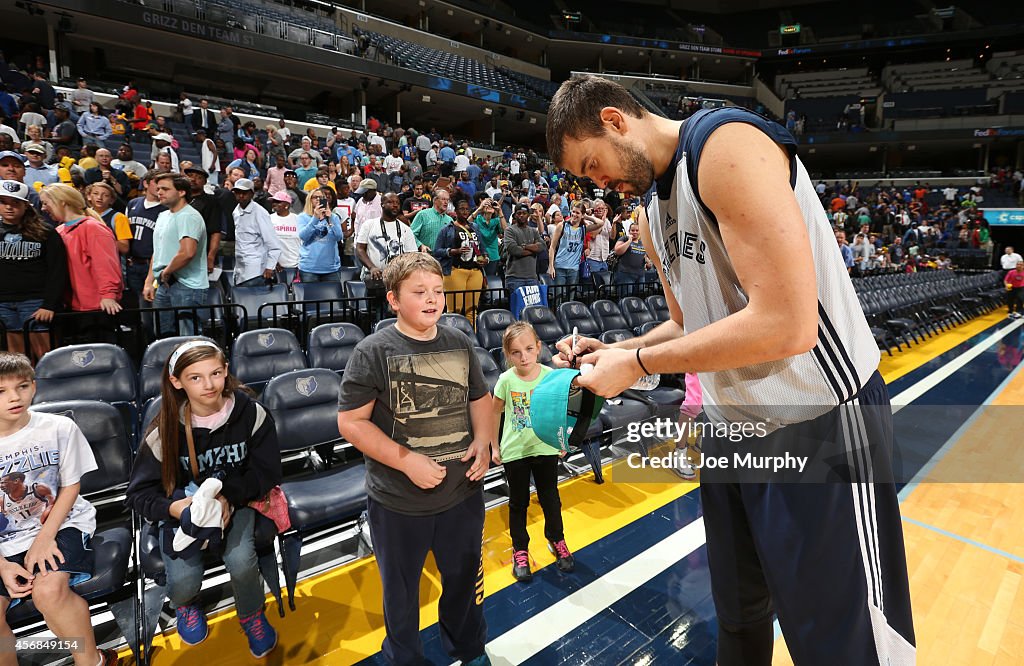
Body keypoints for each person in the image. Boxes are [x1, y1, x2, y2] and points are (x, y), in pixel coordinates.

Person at [547, 75, 915, 665]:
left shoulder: (724, 146)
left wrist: (638, 363)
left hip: (816, 421)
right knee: (740, 620)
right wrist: (618, 352)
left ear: (616, 120)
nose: (598, 184)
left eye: (593, 165)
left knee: (844, 641)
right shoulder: (649, 211)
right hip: (731, 433)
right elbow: (690, 322)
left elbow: (787, 325)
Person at [336, 252, 492, 666]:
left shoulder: (459, 341)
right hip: (399, 501)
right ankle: (405, 658)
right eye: (419, 292)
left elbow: (480, 399)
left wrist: (484, 440)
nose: (432, 299)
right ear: (393, 300)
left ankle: (469, 649)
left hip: (462, 493)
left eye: (438, 291)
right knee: (401, 595)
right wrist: (406, 460)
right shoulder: (373, 351)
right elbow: (351, 423)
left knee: (463, 583)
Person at [124, 340, 281, 658]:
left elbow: (268, 472)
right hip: (183, 512)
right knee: (183, 580)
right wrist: (174, 507)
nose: (209, 385)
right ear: (176, 382)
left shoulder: (251, 413)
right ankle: (186, 605)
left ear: (226, 372)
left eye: (216, 373)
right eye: (195, 377)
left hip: (236, 502)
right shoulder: (164, 431)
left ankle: (251, 613)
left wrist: (229, 499)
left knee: (241, 562)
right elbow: (138, 495)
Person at [0, 353, 119, 666]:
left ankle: (91, 660)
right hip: (4, 543)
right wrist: (1, 564)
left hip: (61, 522)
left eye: (22, 386)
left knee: (48, 592)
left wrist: (44, 537)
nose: (14, 397)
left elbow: (70, 487)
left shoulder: (58, 427)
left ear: (34, 386)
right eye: (1, 391)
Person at [492, 322, 573, 583]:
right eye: (516, 352)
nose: (523, 357)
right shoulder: (506, 380)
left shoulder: (550, 375)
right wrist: (494, 445)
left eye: (528, 349)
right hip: (515, 451)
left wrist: (562, 440)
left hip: (545, 446)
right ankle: (520, 550)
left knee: (550, 497)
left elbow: (559, 411)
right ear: (507, 355)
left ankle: (556, 539)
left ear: (539, 347)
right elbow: (494, 412)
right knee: (518, 503)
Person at [0, 181, 66, 359]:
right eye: (3, 202)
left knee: (46, 356)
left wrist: (49, 304)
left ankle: (51, 387)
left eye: (15, 203)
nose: (9, 207)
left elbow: (58, 270)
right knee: (17, 359)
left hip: (35, 301)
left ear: (26, 206)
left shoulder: (45, 232)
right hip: (4, 302)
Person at [39, 184, 122, 316]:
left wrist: (108, 295)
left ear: (62, 202)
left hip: (96, 308)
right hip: (71, 306)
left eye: (45, 203)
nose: (43, 208)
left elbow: (105, 265)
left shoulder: (93, 228)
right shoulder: (59, 231)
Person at [143, 173, 208, 336]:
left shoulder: (189, 216)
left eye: (165, 189)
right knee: (164, 337)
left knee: (189, 340)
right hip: (164, 284)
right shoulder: (162, 216)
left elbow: (187, 252)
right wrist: (149, 281)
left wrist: (166, 272)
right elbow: (158, 252)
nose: (160, 192)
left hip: (187, 286)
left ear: (181, 192)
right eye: (158, 189)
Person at [434, 199, 487, 325]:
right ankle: (454, 338)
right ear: (456, 211)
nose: (465, 211)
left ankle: (472, 339)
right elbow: (436, 251)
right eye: (462, 209)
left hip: (475, 272)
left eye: (467, 209)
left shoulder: (475, 227)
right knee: (454, 310)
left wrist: (485, 258)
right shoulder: (447, 229)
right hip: (455, 271)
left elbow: (482, 248)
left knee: (472, 310)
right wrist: (453, 251)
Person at [356, 192, 418, 287]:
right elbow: (360, 249)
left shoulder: (406, 229)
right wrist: (372, 267)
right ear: (382, 205)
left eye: (397, 202)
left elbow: (412, 255)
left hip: (398, 279)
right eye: (390, 202)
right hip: (374, 278)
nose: (395, 205)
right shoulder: (369, 225)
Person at [125, 171, 167, 301]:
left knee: (155, 304)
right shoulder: (133, 204)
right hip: (132, 263)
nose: (160, 187)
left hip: (153, 264)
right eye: (156, 182)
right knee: (138, 304)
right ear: (146, 183)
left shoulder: (166, 209)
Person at [231, 178, 282, 287]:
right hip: (240, 267)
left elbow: (274, 244)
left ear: (251, 194)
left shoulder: (260, 213)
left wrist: (270, 267)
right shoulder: (236, 211)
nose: (241, 196)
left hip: (256, 271)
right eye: (238, 192)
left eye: (244, 193)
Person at [296, 188, 344, 282]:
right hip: (309, 269)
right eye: (315, 197)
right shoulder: (303, 217)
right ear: (309, 200)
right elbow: (303, 236)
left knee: (333, 296)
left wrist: (330, 218)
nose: (318, 199)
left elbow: (339, 236)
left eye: (321, 197)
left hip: (331, 268)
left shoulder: (333, 217)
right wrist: (315, 218)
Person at [503, 203, 544, 296]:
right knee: (516, 309)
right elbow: (514, 250)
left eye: (524, 213)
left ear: (528, 215)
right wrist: (533, 250)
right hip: (515, 278)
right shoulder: (509, 230)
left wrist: (524, 246)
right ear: (515, 215)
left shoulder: (534, 231)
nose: (521, 215)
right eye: (519, 213)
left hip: (532, 277)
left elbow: (542, 247)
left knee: (532, 310)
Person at [548, 202, 586, 292]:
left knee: (571, 300)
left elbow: (600, 223)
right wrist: (551, 266)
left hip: (574, 269)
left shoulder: (583, 228)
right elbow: (552, 247)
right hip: (560, 267)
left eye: (577, 213)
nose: (574, 214)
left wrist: (586, 216)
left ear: (582, 215)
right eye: (573, 212)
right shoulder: (562, 225)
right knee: (558, 297)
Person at [84, 182, 131, 255]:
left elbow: (124, 248)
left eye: (105, 195)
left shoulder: (119, 217)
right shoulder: (83, 215)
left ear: (111, 200)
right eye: (95, 194)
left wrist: (102, 239)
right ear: (89, 196)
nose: (99, 197)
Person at [612, 220, 651, 297]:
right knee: (626, 297)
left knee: (640, 297)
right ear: (629, 231)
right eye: (632, 230)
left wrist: (648, 263)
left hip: (640, 274)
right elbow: (618, 251)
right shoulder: (624, 239)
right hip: (625, 274)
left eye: (637, 230)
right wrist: (629, 241)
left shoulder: (642, 243)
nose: (635, 232)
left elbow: (645, 256)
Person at [269, 191, 300, 276]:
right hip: (276, 266)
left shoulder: (298, 219)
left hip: (297, 265)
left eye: (278, 202)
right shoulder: (269, 219)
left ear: (287, 205)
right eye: (273, 201)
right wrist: (272, 262)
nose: (274, 204)